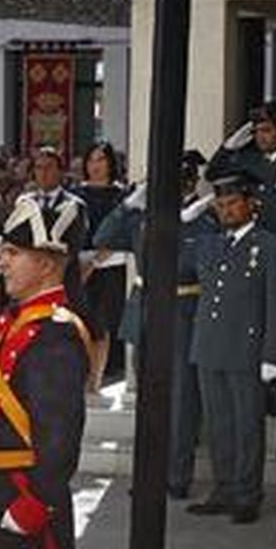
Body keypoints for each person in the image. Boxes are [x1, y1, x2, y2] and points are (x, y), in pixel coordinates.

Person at [0, 194, 90, 549]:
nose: (2, 262)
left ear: (44, 264)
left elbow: (60, 434)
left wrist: (35, 506)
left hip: (23, 492)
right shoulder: (15, 320)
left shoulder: (55, 332)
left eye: (13, 253)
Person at [92, 149, 215, 499]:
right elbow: (103, 237)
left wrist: (185, 224)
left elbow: (196, 265)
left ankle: (176, 476)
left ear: (190, 182)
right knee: (147, 397)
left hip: (181, 310)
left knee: (180, 399)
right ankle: (148, 473)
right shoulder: (143, 215)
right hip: (144, 310)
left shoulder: (202, 220)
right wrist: (130, 204)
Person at [186, 171, 276, 524]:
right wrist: (189, 213)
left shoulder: (270, 247)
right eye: (220, 204)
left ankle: (247, 494)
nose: (226, 210)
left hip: (247, 349)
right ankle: (223, 488)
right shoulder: (210, 242)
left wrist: (272, 355)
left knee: (247, 425)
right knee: (218, 424)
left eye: (233, 203)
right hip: (210, 345)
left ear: (251, 204)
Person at [210, 101, 276, 259]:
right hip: (254, 247)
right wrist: (230, 145)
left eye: (266, 131)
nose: (260, 137)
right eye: (256, 132)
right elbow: (213, 173)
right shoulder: (251, 161)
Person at [74, 143, 128, 383]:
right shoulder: (77, 194)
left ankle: (106, 370)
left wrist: (96, 260)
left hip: (111, 262)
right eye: (91, 160)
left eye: (101, 160)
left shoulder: (121, 194)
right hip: (81, 264)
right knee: (83, 315)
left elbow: (122, 230)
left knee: (106, 317)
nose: (96, 166)